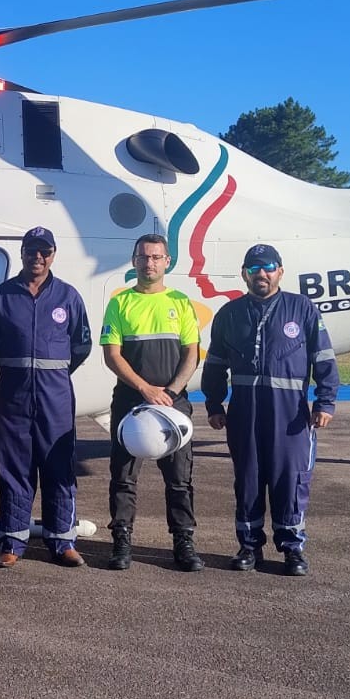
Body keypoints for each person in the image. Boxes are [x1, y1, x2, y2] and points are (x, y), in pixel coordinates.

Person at [201, 243, 339, 577]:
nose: (260, 274)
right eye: (253, 268)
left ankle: (292, 548)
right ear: (244, 274)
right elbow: (216, 363)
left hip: (289, 414)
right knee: (248, 479)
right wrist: (214, 403)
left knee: (289, 480)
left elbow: (323, 358)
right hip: (245, 411)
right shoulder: (230, 314)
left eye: (267, 267)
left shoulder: (301, 308)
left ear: (280, 271)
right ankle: (249, 546)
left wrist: (325, 401)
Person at [0, 226, 92, 568]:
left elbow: (81, 346)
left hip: (55, 398)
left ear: (53, 254)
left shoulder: (68, 296)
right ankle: (13, 540)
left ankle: (62, 540)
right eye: (31, 250)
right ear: (23, 253)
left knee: (58, 466)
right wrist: (20, 372)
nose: (38, 257)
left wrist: (53, 375)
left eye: (44, 251)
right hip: (14, 397)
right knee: (14, 469)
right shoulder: (2, 296)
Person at [100, 233, 202, 572]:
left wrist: (170, 393)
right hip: (131, 402)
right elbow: (112, 355)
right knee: (123, 477)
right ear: (134, 261)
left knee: (179, 478)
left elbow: (192, 354)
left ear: (167, 261)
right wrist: (145, 389)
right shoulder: (120, 302)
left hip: (173, 404)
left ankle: (183, 542)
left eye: (157, 257)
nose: (150, 263)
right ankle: (121, 541)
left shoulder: (182, 302)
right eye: (144, 257)